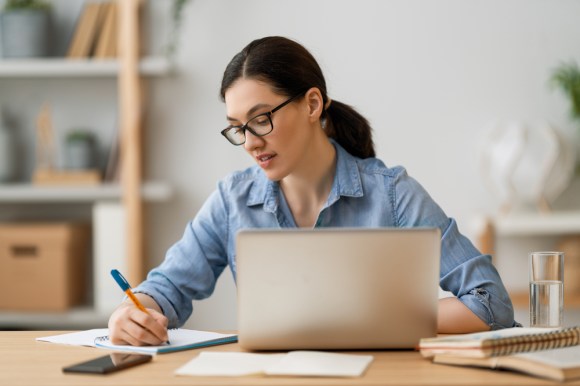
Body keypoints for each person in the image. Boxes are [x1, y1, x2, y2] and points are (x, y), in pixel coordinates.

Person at [108, 36, 519, 346]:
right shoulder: (232, 200)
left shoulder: (393, 194)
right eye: (238, 127)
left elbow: (491, 303)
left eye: (261, 118)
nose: (250, 142)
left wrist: (379, 318)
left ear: (312, 104)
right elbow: (168, 289)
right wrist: (133, 313)